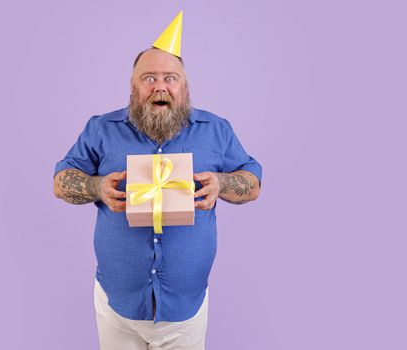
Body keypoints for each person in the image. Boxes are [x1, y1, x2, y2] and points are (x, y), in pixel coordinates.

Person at [53, 11, 262, 350]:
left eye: (171, 77)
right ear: (133, 87)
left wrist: (222, 184)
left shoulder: (216, 130)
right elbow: (61, 180)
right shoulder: (101, 129)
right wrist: (96, 187)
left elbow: (253, 181)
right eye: (149, 78)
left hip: (186, 311)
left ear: (185, 86)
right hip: (117, 308)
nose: (160, 86)